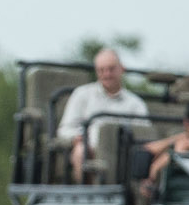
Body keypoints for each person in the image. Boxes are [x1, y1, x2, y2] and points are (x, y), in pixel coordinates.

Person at [58, 48, 148, 183]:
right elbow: (65, 129)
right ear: (96, 71)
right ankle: (86, 192)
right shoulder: (82, 95)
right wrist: (77, 139)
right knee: (80, 151)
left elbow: (144, 135)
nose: (107, 74)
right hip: (91, 150)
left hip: (124, 154)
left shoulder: (136, 104)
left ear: (122, 69)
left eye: (111, 69)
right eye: (101, 70)